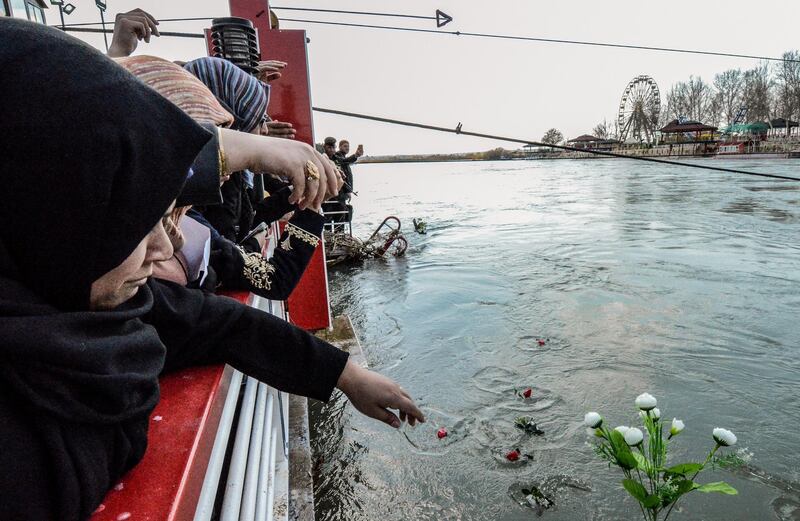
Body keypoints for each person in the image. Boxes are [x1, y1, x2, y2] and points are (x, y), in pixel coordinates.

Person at [0, 20, 423, 520]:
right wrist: (307, 213)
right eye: (145, 215)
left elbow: (216, 317)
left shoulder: (103, 304)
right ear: (62, 213)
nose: (168, 243)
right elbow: (271, 283)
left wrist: (343, 373)